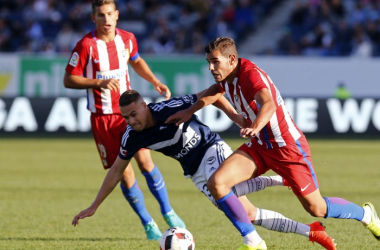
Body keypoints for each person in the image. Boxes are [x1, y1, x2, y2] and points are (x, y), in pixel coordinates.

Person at [165, 37, 380, 250]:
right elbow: (215, 92)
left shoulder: (249, 75)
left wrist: (256, 126)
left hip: (287, 148)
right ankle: (253, 242)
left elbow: (269, 103)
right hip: (260, 146)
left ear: (231, 59)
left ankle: (366, 214)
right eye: (208, 62)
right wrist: (188, 111)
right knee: (217, 183)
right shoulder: (226, 75)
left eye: (215, 61)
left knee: (317, 208)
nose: (211, 67)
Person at [72, 90, 337, 250]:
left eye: (133, 114)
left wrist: (234, 117)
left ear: (144, 105)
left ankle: (276, 187)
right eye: (126, 117)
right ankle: (311, 231)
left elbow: (214, 94)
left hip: (211, 149)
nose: (131, 121)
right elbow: (117, 170)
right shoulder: (132, 136)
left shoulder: (170, 107)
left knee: (225, 189)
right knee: (248, 214)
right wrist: (95, 205)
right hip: (194, 171)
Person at [63, 0, 185, 240]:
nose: (106, 20)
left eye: (109, 14)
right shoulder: (85, 45)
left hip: (130, 115)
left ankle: (168, 212)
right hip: (103, 119)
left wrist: (154, 81)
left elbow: (136, 60)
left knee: (146, 163)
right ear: (93, 18)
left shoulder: (127, 38)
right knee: (125, 173)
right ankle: (148, 223)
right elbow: (69, 80)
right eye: (100, 15)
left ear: (117, 15)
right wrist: (98, 82)